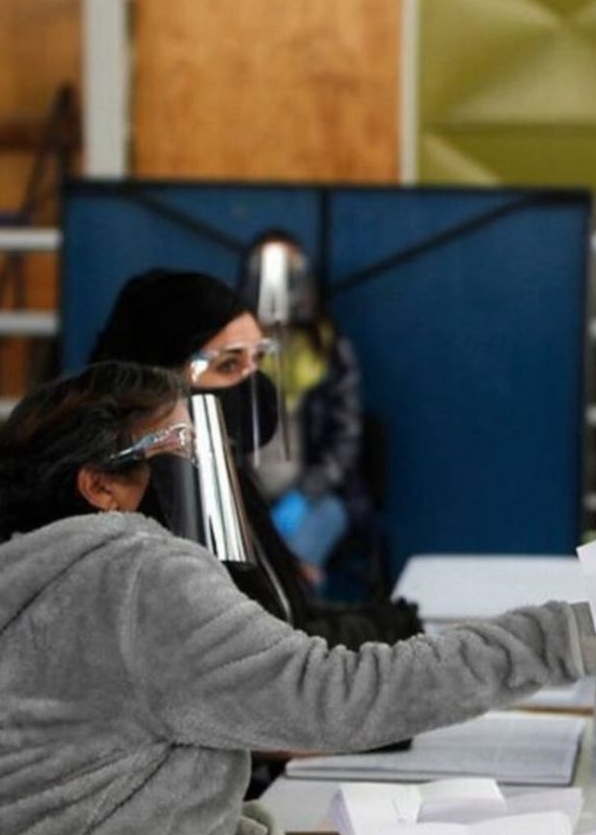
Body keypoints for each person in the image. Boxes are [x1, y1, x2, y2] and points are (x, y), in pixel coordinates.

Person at [0, 361, 596, 835]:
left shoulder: (41, 577)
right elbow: (337, 698)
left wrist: (185, 820)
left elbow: (64, 758)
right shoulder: (136, 573)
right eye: (180, 445)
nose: (204, 461)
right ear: (100, 487)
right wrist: (556, 637)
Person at [90, 269, 417, 648]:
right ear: (158, 374)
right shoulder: (139, 496)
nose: (252, 382)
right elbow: (252, 651)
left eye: (257, 360)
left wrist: (381, 625)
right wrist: (383, 632)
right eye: (229, 365)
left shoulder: (227, 472)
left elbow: (284, 614)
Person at [238, 230, 368, 585]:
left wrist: (308, 491)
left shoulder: (329, 349)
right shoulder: (233, 353)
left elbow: (346, 435)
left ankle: (295, 605)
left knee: (296, 559)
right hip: (248, 494)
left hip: (315, 497)